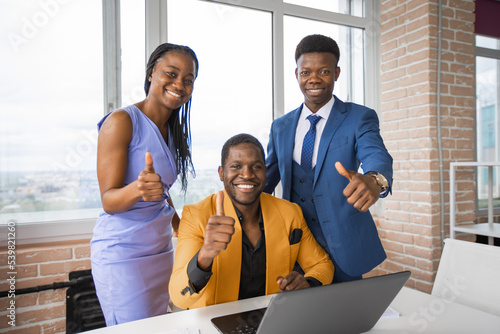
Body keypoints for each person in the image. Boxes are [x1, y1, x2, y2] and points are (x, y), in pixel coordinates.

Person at [265, 34, 393, 283]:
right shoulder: (280, 126)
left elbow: (376, 153)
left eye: (323, 71)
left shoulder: (359, 117)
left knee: (347, 316)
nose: (313, 79)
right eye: (306, 72)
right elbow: (266, 179)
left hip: (344, 242)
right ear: (296, 74)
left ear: (336, 72)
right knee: (302, 314)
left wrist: (375, 179)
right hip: (295, 244)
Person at [90, 43, 198, 326]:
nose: (180, 84)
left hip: (160, 252)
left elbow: (159, 193)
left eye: (188, 80)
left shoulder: (173, 130)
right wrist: (137, 188)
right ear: (151, 74)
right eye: (171, 74)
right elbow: (109, 201)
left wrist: (181, 228)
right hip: (123, 255)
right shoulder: (122, 121)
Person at [169, 134, 334, 309]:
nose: (247, 175)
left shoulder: (290, 212)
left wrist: (308, 282)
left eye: (256, 167)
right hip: (216, 321)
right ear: (221, 173)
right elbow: (179, 297)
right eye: (236, 166)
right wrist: (205, 255)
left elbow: (322, 264)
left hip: (271, 318)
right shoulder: (195, 216)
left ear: (265, 172)